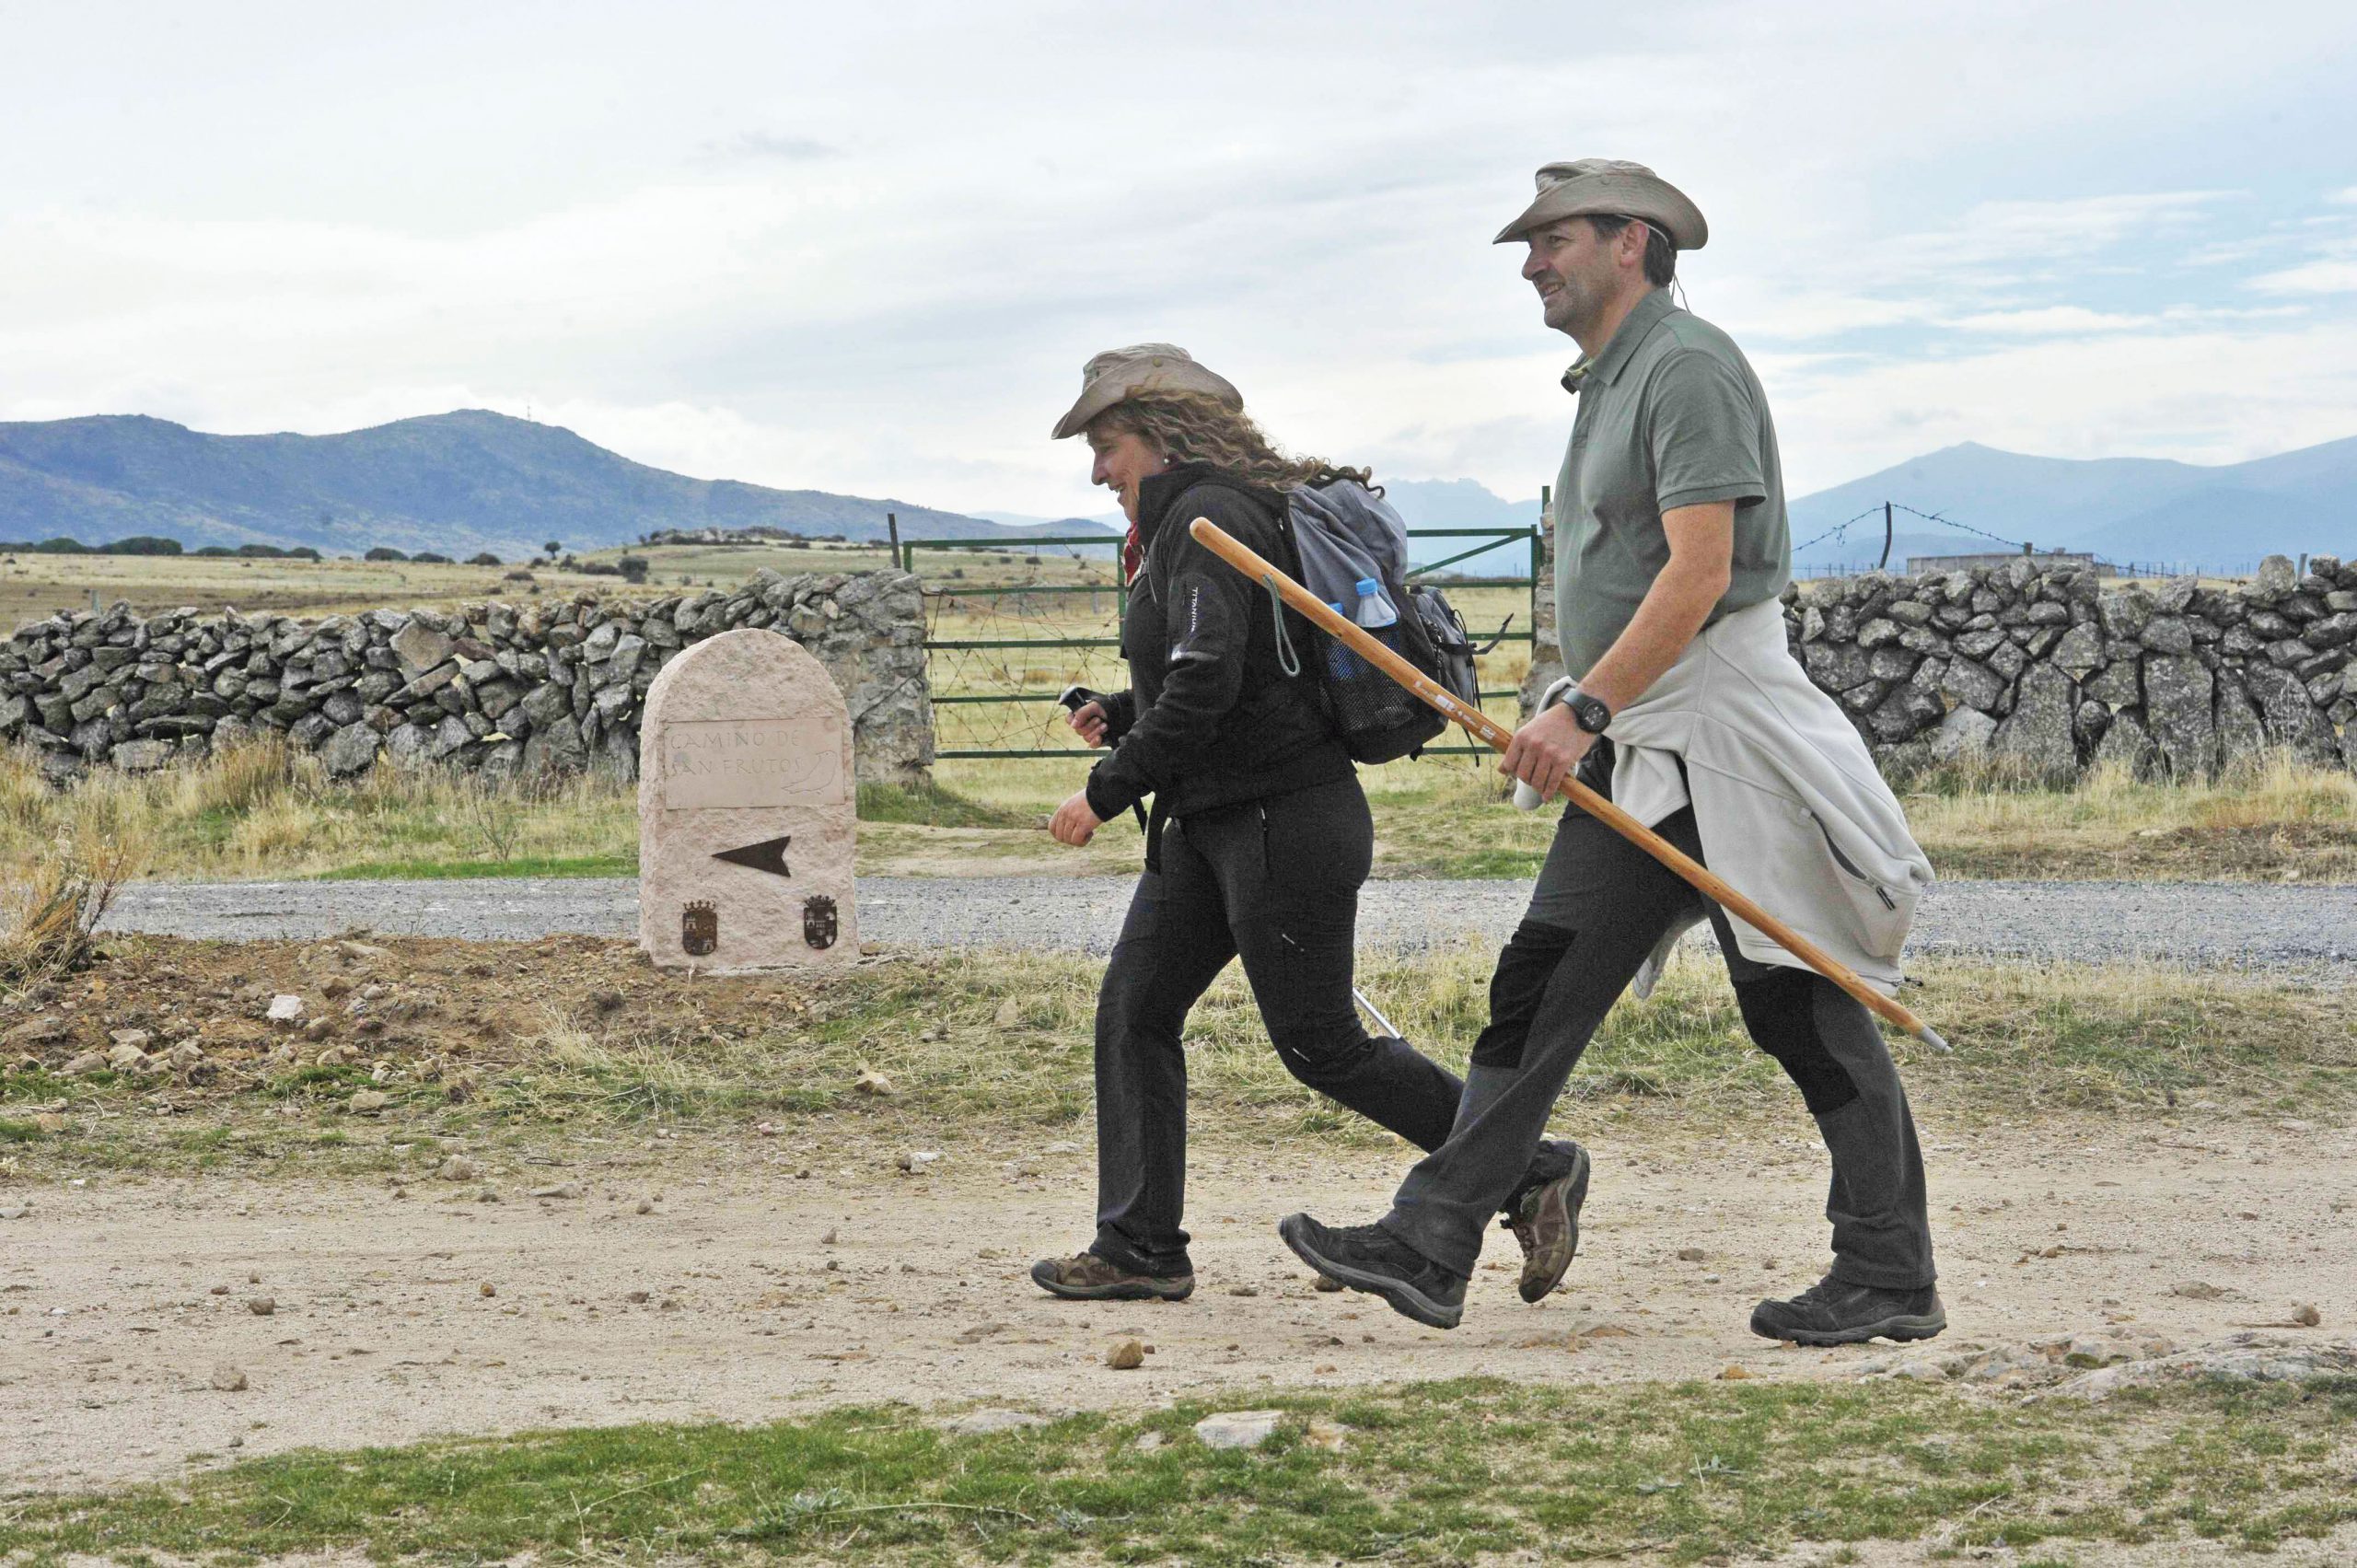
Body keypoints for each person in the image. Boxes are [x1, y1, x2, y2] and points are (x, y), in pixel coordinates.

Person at [1278, 162, 1945, 1344]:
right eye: (1530, 244)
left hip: (1721, 735)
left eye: (1552, 239)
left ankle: (1888, 1271)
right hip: (1650, 738)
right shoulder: (1613, 377)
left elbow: (1698, 572)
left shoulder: (1687, 367)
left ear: (1630, 243)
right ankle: (1433, 1239)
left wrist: (1580, 708)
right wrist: (1600, 711)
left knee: (1799, 1002)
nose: (1533, 262)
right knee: (1543, 981)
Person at [1029, 343, 1585, 1303]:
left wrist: (1106, 786)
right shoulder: (1194, 524)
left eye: (1106, 444)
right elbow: (1230, 671)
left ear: (1159, 436)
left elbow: (1208, 684)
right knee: (1135, 1012)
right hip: (1212, 824)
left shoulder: (1206, 519)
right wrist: (1126, 708)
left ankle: (1529, 1167)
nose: (1095, 469)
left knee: (1321, 1043)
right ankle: (1138, 1246)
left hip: (1279, 820)